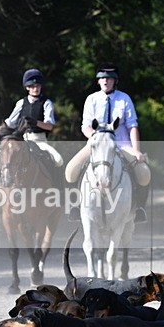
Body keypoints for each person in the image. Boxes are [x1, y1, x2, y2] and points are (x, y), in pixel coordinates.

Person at [64, 62, 151, 223]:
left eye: (109, 78)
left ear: (114, 81)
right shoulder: (91, 99)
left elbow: (132, 126)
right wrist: (96, 138)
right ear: (98, 81)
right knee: (70, 170)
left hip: (121, 145)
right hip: (96, 144)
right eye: (102, 78)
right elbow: (86, 126)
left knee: (144, 172)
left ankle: (139, 208)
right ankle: (75, 206)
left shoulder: (124, 99)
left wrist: (137, 150)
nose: (106, 81)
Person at [0, 68, 64, 187]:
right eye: (32, 86)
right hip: (21, 142)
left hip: (39, 141)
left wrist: (35, 122)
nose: (35, 88)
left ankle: (59, 191)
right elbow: (9, 123)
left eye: (38, 85)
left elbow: (49, 126)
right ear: (27, 88)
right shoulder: (21, 103)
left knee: (58, 160)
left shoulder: (46, 103)